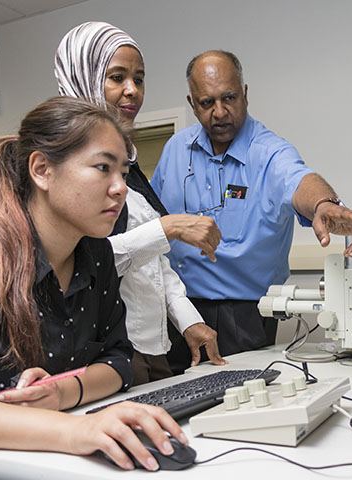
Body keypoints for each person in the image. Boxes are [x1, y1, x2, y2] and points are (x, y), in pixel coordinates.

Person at [0, 97, 189, 478]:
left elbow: (118, 361)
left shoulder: (97, 256)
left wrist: (62, 393)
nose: (120, 188)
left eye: (124, 173)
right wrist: (75, 428)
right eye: (103, 168)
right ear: (42, 170)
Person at [151, 50, 352, 374]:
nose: (219, 112)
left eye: (229, 97)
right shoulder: (175, 150)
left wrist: (325, 204)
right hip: (174, 310)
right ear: (191, 103)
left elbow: (299, 179)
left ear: (244, 93)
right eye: (206, 102)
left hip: (242, 317)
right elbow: (150, 217)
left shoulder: (269, 151)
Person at [54, 22, 226, 384]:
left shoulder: (128, 164)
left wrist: (189, 321)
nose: (132, 91)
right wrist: (169, 227)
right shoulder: (63, 166)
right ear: (83, 77)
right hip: (105, 349)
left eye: (139, 79)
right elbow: (77, 263)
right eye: (116, 78)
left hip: (152, 345)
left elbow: (154, 263)